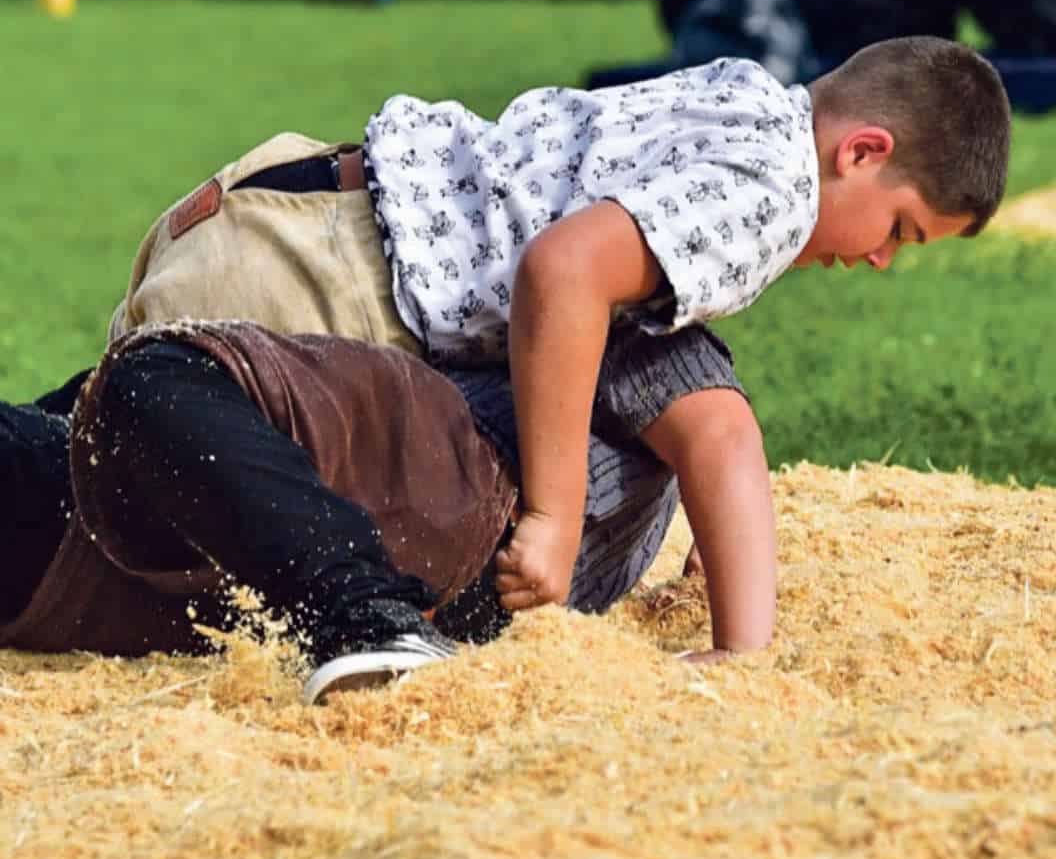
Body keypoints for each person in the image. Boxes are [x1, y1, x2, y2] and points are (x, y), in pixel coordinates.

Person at [110, 37, 1012, 616]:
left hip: (275, 202)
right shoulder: (780, 195)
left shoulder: (745, 94)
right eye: (900, 230)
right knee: (122, 487)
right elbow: (565, 270)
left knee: (86, 442)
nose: (883, 259)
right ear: (863, 153)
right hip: (319, 280)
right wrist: (554, 513)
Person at [0, 312, 760, 715]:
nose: (878, 260)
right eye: (899, 233)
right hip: (302, 533)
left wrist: (745, 652)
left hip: (425, 535)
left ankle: (368, 621)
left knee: (145, 377)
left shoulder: (637, 309)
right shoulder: (560, 301)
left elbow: (717, 423)